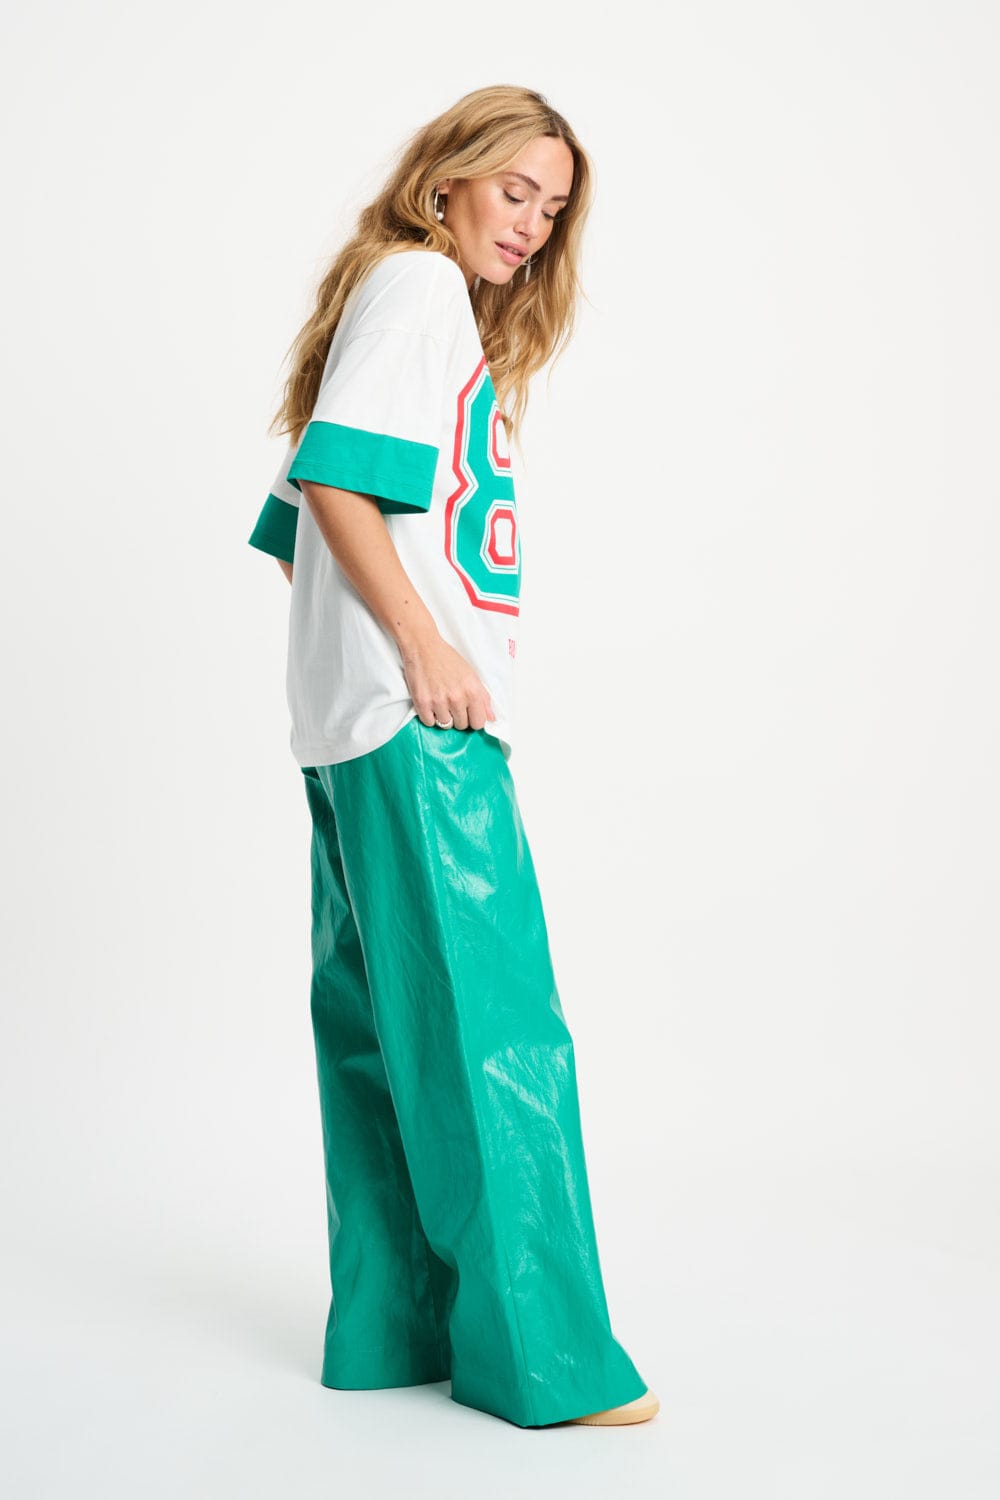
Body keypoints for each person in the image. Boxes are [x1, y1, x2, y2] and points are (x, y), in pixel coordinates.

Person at [247, 84, 659, 1430]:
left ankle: (393, 1333)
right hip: (418, 727)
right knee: (496, 1031)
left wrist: (370, 656)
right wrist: (423, 650)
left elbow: (294, 526)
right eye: (514, 190)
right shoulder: (421, 289)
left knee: (380, 1034)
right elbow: (332, 489)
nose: (531, 224)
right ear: (447, 183)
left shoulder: (387, 297)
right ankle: (548, 1365)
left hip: (348, 725)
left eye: (553, 207)